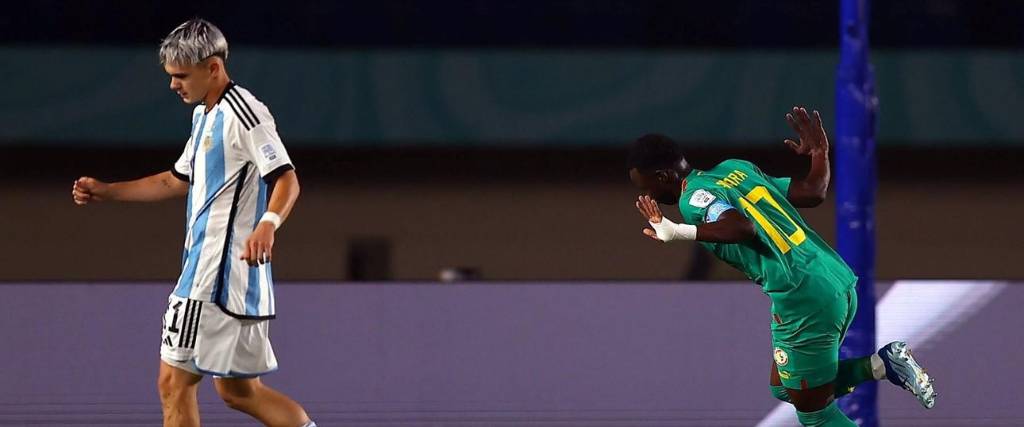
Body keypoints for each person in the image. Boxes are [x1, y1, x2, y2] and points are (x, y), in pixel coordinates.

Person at [72, 18, 314, 427]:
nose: (173, 85)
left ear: (213, 67)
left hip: (210, 280)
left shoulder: (245, 114)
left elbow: (287, 178)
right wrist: (107, 190)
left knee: (173, 383)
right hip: (237, 283)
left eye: (181, 76)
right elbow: (173, 180)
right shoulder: (205, 115)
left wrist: (268, 223)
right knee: (240, 391)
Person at [628, 106, 935, 426]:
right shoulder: (736, 168)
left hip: (803, 296)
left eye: (643, 186)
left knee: (816, 415)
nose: (644, 194)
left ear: (662, 177)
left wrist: (678, 231)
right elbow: (813, 191)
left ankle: (881, 366)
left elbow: (740, 227)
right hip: (834, 278)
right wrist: (819, 152)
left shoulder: (692, 199)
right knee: (785, 386)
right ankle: (883, 365)